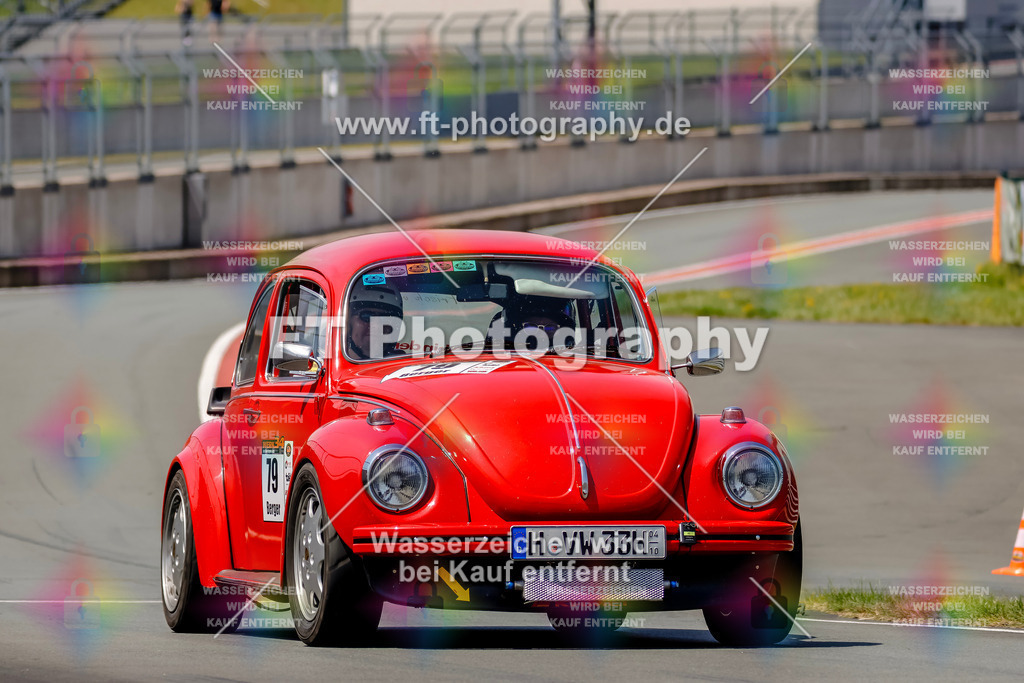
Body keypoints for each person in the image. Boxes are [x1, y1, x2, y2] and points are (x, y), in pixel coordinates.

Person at [347, 282, 405, 360]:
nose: (376, 325)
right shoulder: (333, 364)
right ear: (349, 323)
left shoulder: (404, 365)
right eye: (366, 316)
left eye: (386, 318)